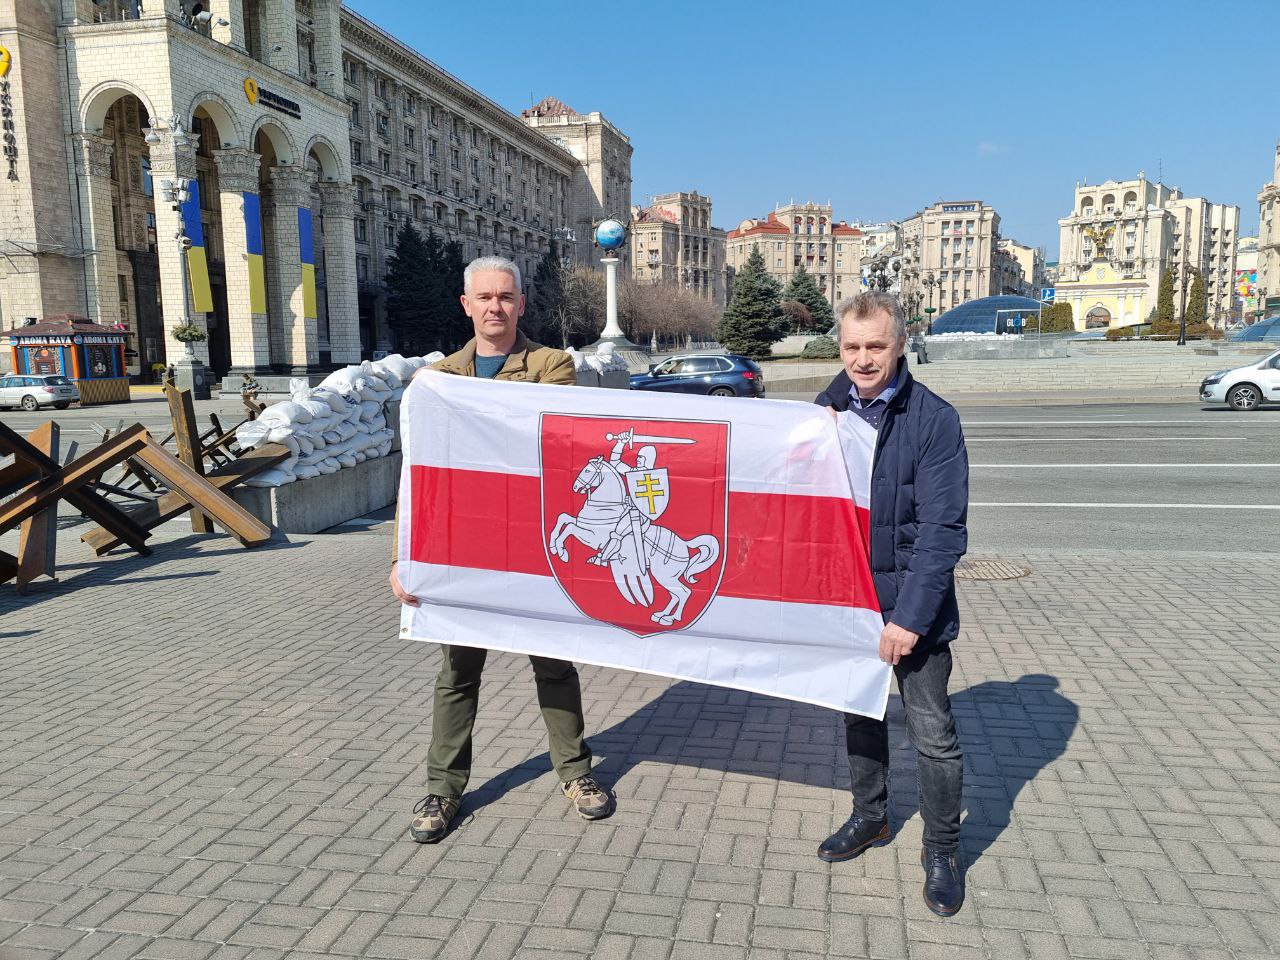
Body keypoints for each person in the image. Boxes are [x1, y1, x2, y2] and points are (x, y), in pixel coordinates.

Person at [389, 255, 613, 844]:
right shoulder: (438, 378)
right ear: (466, 305)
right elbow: (419, 477)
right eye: (484, 297)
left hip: (533, 543)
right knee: (458, 672)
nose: (495, 307)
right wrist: (403, 557)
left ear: (520, 303)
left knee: (554, 662)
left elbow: (548, 441)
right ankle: (442, 789)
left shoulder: (550, 365)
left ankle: (576, 772)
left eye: (506, 297)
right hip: (462, 546)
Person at [814, 291, 969, 917]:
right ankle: (870, 818)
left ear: (900, 344)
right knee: (860, 716)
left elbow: (943, 532)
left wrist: (908, 618)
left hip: (912, 609)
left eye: (875, 346)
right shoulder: (823, 412)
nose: (862, 359)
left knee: (933, 735)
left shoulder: (933, 418)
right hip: (849, 603)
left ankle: (943, 849)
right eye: (852, 347)